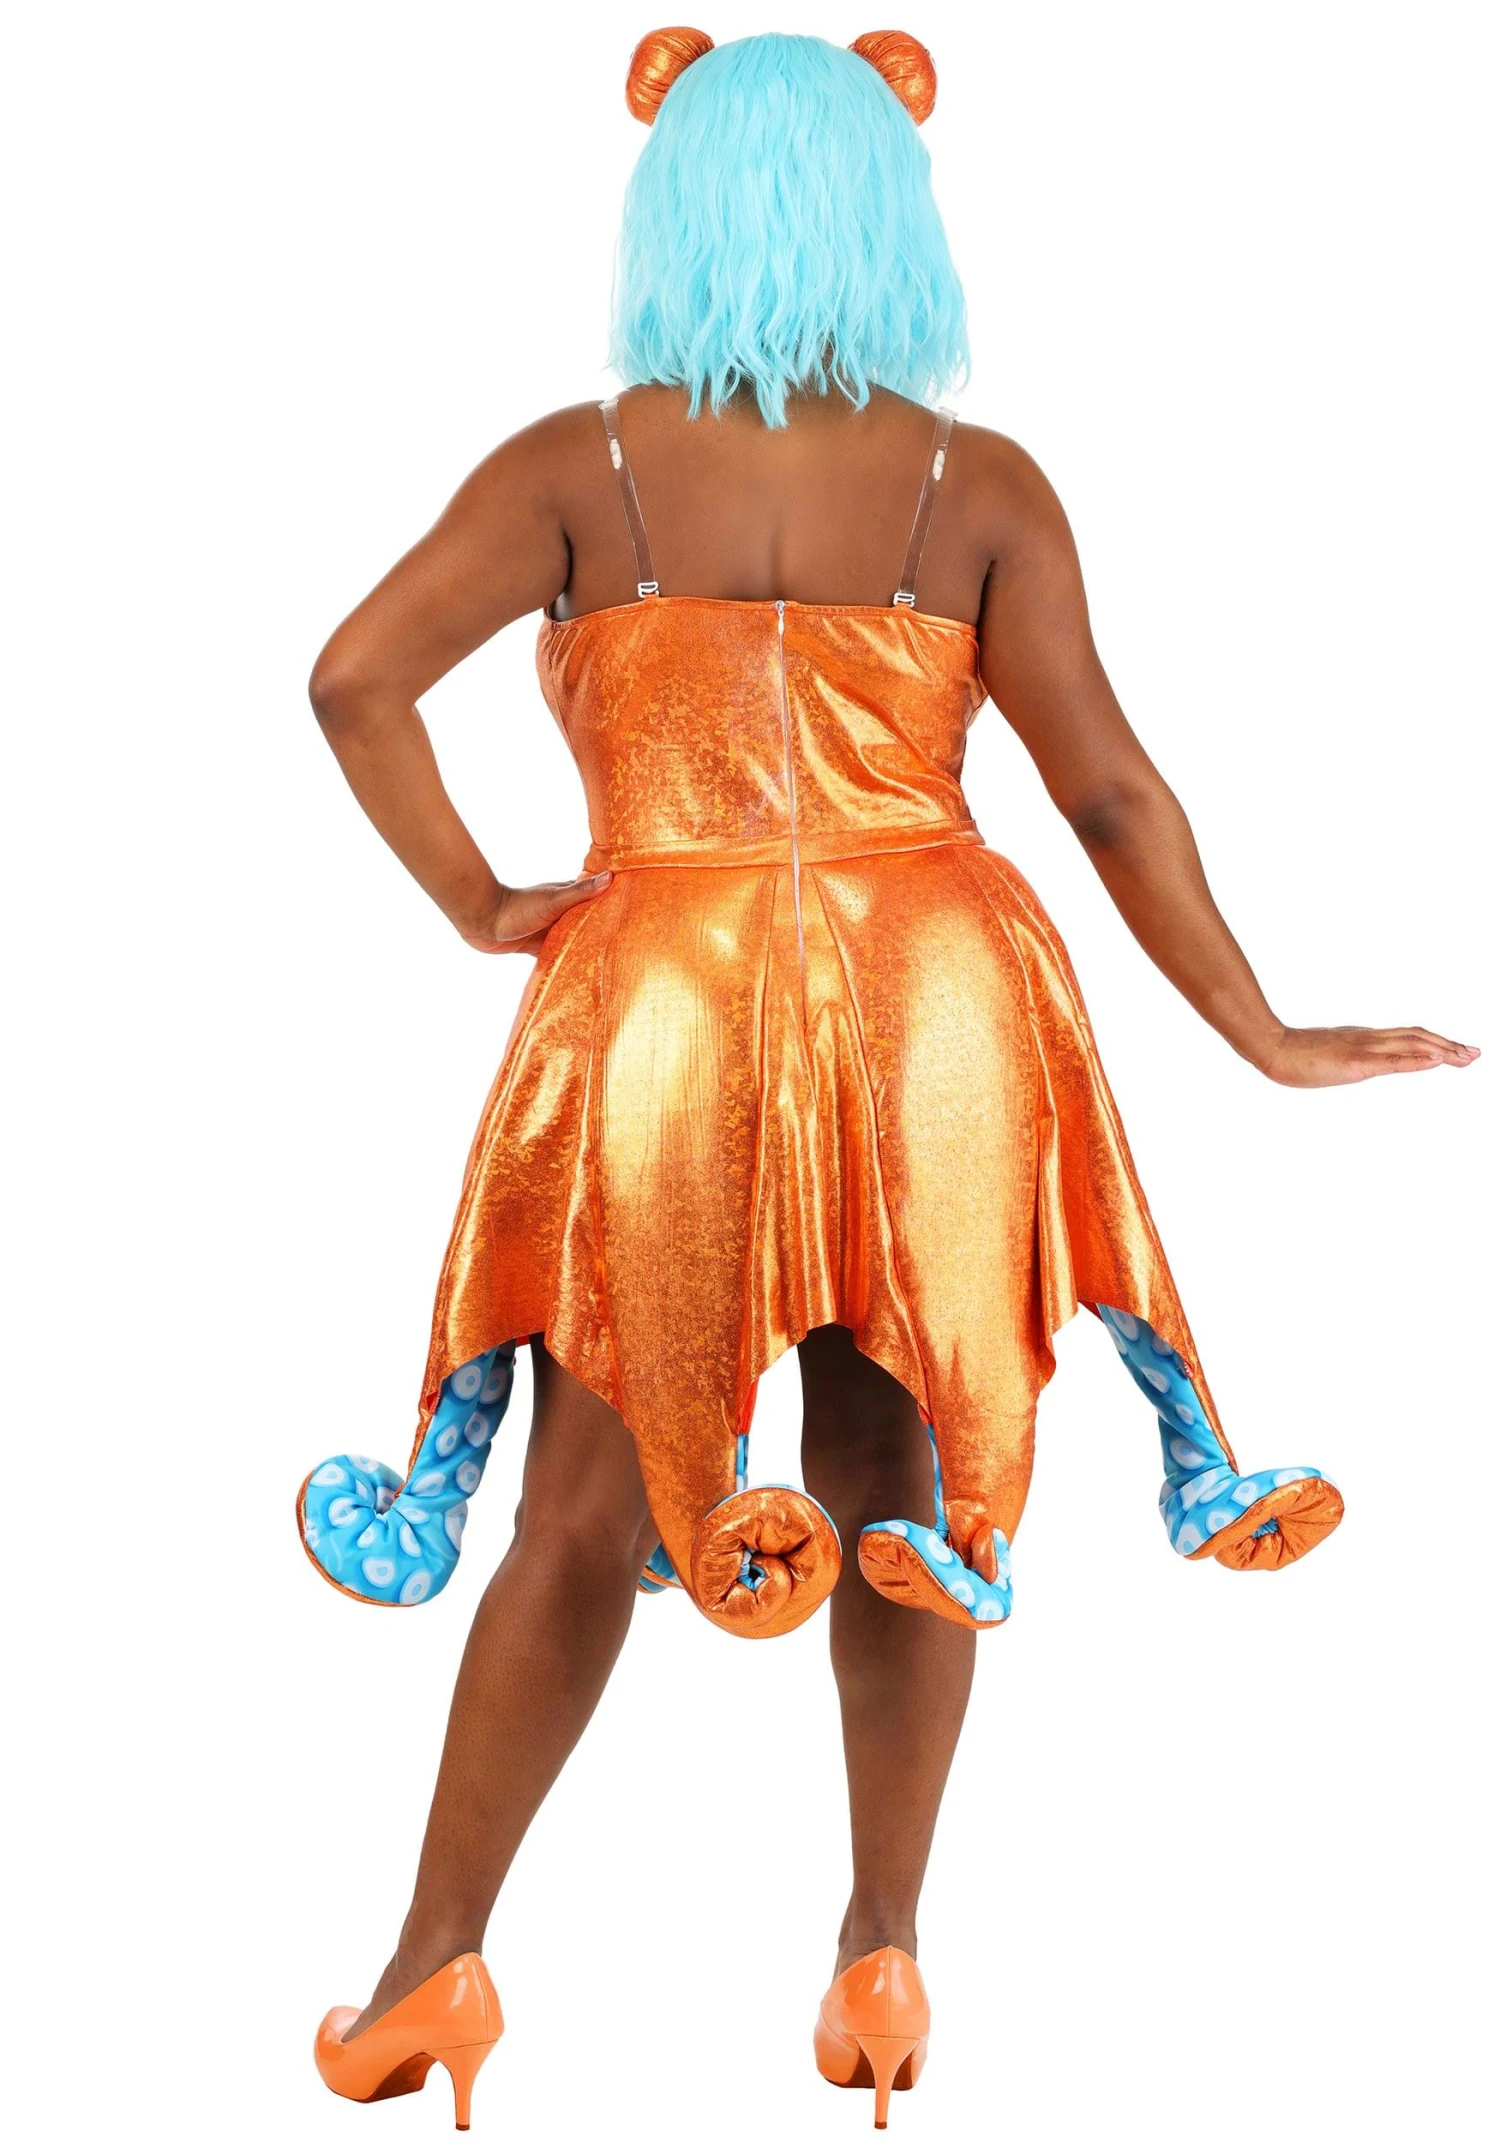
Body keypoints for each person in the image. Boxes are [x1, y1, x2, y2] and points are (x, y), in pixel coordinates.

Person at [299, 29, 1476, 2131]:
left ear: (670, 202)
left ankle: (432, 1967)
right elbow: (1108, 795)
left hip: (666, 989)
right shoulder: (973, 486)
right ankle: (882, 1949)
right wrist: (1261, 1025)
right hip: (936, 987)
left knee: (583, 1499)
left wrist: (482, 899)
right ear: (893, 204)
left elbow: (353, 678)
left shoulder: (578, 471)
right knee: (898, 1474)